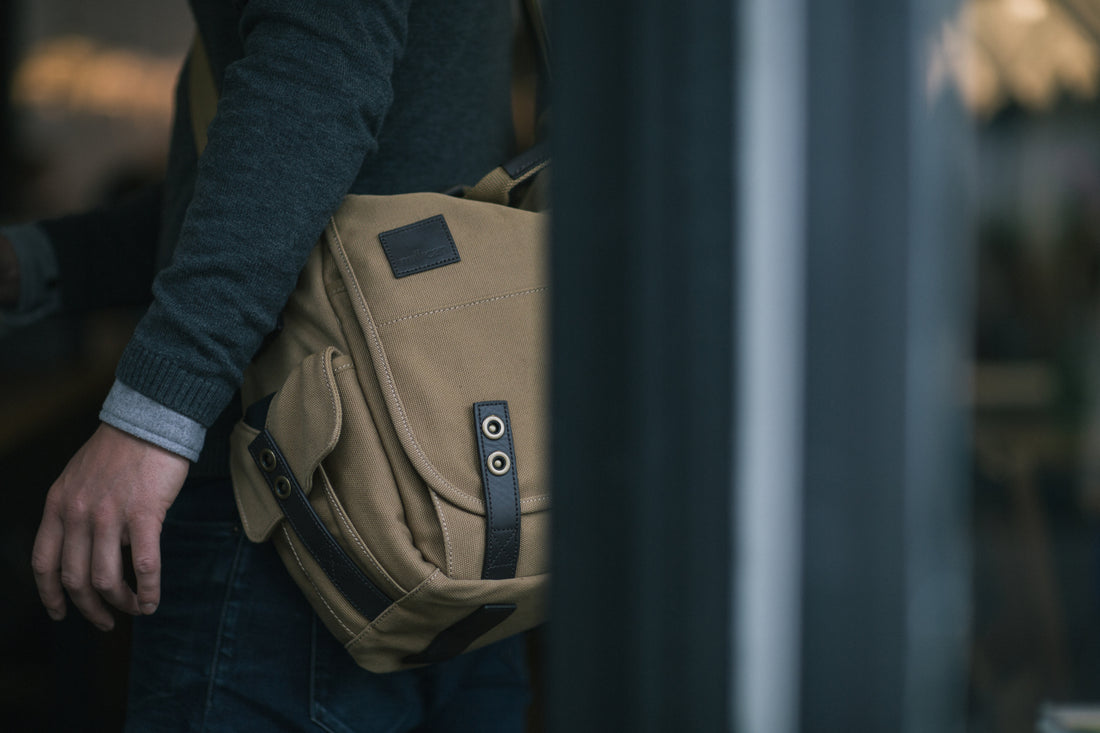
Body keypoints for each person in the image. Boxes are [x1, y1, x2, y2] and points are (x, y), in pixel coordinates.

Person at [1, 0, 533, 730]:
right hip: (460, 513)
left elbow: (313, 86)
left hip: (298, 507)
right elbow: (287, 192)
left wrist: (152, 415)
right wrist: (35, 261)